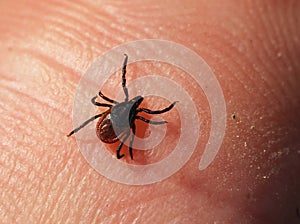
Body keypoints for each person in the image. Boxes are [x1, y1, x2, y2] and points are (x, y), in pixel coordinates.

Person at [0, 1, 299, 223]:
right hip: (111, 129)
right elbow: (132, 117)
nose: (137, 104)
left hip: (110, 127)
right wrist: (129, 142)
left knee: (103, 117)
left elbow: (108, 105)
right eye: (136, 105)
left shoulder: (121, 111)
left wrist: (128, 139)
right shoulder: (131, 116)